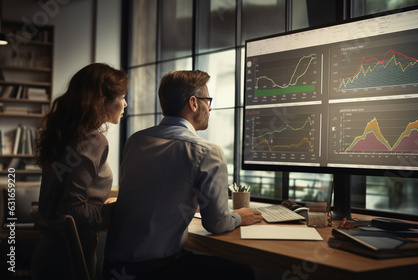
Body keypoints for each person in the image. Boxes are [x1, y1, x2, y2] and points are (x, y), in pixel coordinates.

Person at [104, 70, 262, 280]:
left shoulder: (136, 140)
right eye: (208, 100)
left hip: (113, 269)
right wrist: (240, 216)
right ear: (194, 103)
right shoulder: (206, 151)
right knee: (243, 273)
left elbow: (157, 193)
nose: (211, 107)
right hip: (156, 271)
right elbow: (216, 223)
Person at [32, 63, 128, 280]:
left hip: (48, 252)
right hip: (70, 258)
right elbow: (73, 210)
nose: (125, 103)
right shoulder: (93, 141)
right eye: (122, 96)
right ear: (103, 100)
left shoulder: (65, 134)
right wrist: (112, 211)